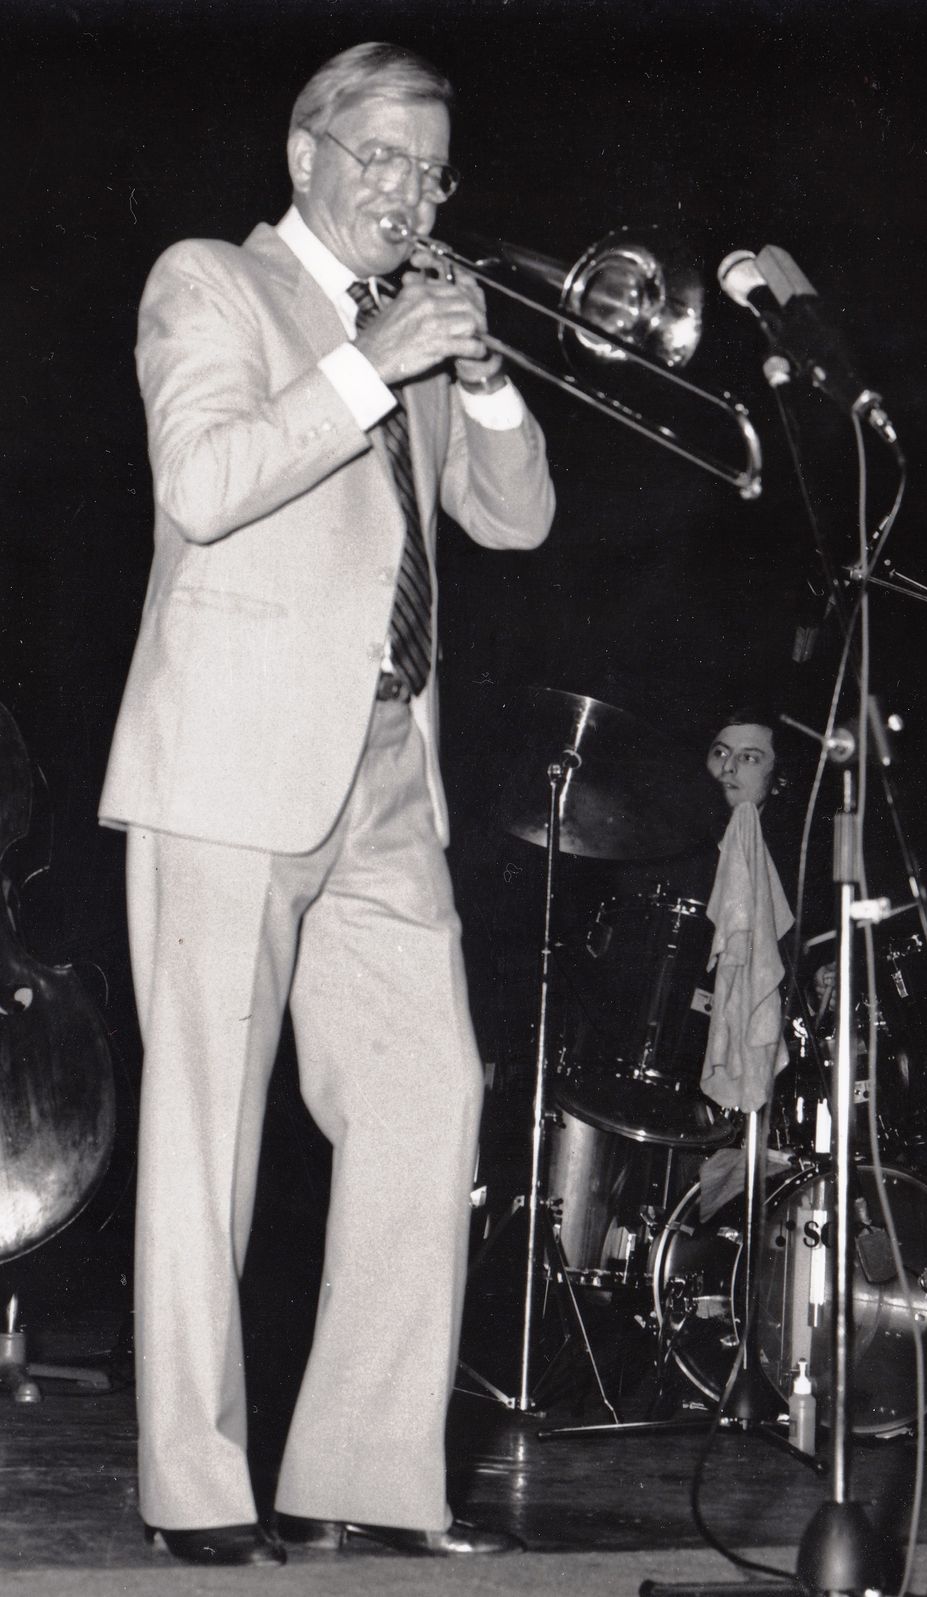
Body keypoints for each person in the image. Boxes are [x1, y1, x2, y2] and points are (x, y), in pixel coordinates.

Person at [98, 43, 555, 1566]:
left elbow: (515, 519)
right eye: (381, 156)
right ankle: (197, 1488)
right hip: (232, 759)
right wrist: (373, 362)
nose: (410, 190)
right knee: (207, 1131)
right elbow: (204, 481)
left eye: (432, 167)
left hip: (388, 766)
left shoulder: (406, 332)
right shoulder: (212, 283)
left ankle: (359, 1468)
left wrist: (479, 378)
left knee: (432, 1098)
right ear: (304, 156)